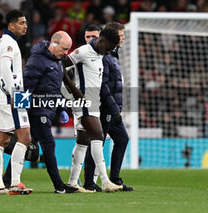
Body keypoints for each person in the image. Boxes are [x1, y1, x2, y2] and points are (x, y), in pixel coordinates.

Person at [62, 27, 123, 192]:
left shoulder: (100, 54)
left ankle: (72, 182)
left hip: (94, 102)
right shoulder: (83, 51)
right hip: (84, 102)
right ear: (102, 41)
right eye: (109, 47)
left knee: (82, 141)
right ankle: (105, 182)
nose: (110, 51)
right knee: (98, 136)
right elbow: (60, 65)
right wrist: (73, 89)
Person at [20, 31, 78, 194]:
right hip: (38, 111)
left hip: (48, 109)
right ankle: (59, 186)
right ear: (54, 44)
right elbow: (27, 86)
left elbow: (54, 87)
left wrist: (61, 108)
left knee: (24, 145)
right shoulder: (37, 60)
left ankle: (6, 179)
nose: (66, 53)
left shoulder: (57, 61)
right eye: (64, 48)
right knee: (48, 144)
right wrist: (23, 111)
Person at [84, 22, 134, 191]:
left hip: (112, 107)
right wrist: (113, 108)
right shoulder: (105, 56)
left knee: (121, 139)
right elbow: (103, 85)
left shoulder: (112, 55)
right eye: (121, 35)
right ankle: (89, 181)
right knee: (98, 141)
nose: (123, 38)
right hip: (105, 107)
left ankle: (115, 179)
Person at [0, 10, 33, 195]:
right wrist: (16, 94)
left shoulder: (6, 42)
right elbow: (6, 69)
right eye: (22, 23)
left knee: (2, 139)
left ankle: (0, 185)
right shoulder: (8, 43)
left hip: (5, 95)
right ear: (11, 25)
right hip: (11, 96)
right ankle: (14, 182)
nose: (25, 26)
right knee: (25, 137)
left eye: (26, 22)